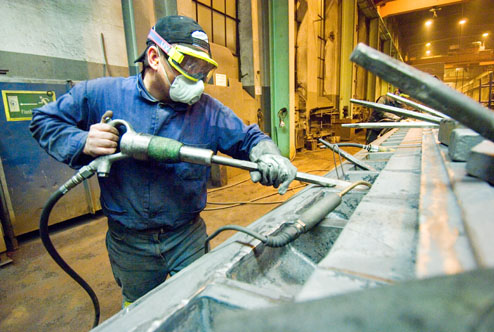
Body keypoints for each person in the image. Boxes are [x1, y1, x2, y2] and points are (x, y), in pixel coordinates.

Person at [30, 15, 297, 306]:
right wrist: (83, 141)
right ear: (155, 57)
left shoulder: (208, 111)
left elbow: (249, 139)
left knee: (199, 302)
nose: (197, 78)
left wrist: (269, 155)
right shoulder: (101, 94)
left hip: (187, 235)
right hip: (129, 242)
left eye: (203, 69)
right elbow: (44, 120)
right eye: (189, 65)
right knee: (140, 310)